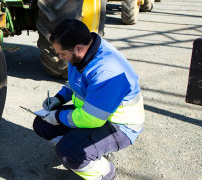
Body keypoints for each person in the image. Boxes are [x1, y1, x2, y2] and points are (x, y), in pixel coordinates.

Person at [33, 19, 145, 180]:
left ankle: (106, 173)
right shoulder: (82, 54)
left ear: (78, 48)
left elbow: (92, 119)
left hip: (119, 125)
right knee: (42, 124)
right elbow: (75, 83)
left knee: (69, 153)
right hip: (94, 112)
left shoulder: (108, 72)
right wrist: (59, 98)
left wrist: (58, 116)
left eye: (62, 53)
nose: (60, 57)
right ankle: (83, 152)